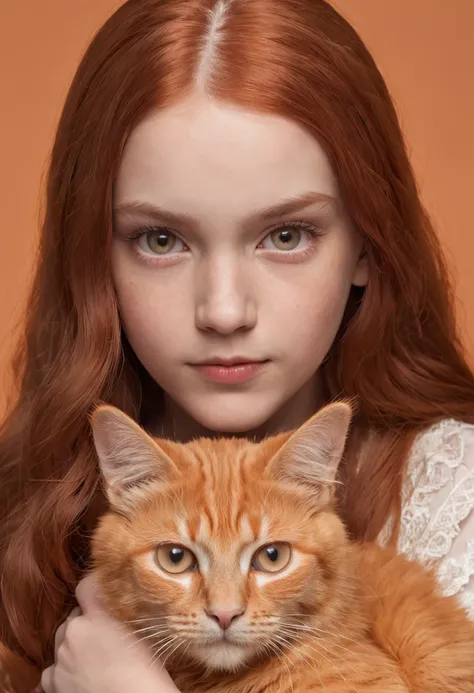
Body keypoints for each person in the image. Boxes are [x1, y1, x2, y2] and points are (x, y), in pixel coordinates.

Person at [0, 0, 473, 691]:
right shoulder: (24, 494)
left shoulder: (458, 496)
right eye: (161, 239)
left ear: (369, 246)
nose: (224, 310)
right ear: (93, 258)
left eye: (285, 234)